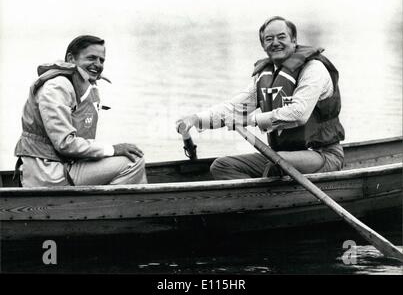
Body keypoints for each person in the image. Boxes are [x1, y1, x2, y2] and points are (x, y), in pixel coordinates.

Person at [176, 16, 345, 180]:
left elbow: (299, 114)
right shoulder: (264, 77)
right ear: (263, 45)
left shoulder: (314, 69)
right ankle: (253, 204)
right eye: (269, 39)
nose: (275, 43)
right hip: (280, 157)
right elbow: (233, 110)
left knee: (275, 163)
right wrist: (195, 119)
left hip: (322, 155)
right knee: (222, 166)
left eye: (281, 37)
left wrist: (250, 120)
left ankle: (264, 203)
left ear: (294, 40)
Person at [14, 35, 147, 187]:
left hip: (63, 164)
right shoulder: (57, 87)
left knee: (128, 157)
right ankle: (104, 208)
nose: (97, 64)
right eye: (91, 58)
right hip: (48, 173)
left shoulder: (83, 84)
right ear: (71, 59)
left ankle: (101, 206)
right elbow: (65, 143)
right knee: (133, 161)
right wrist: (113, 149)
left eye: (101, 60)